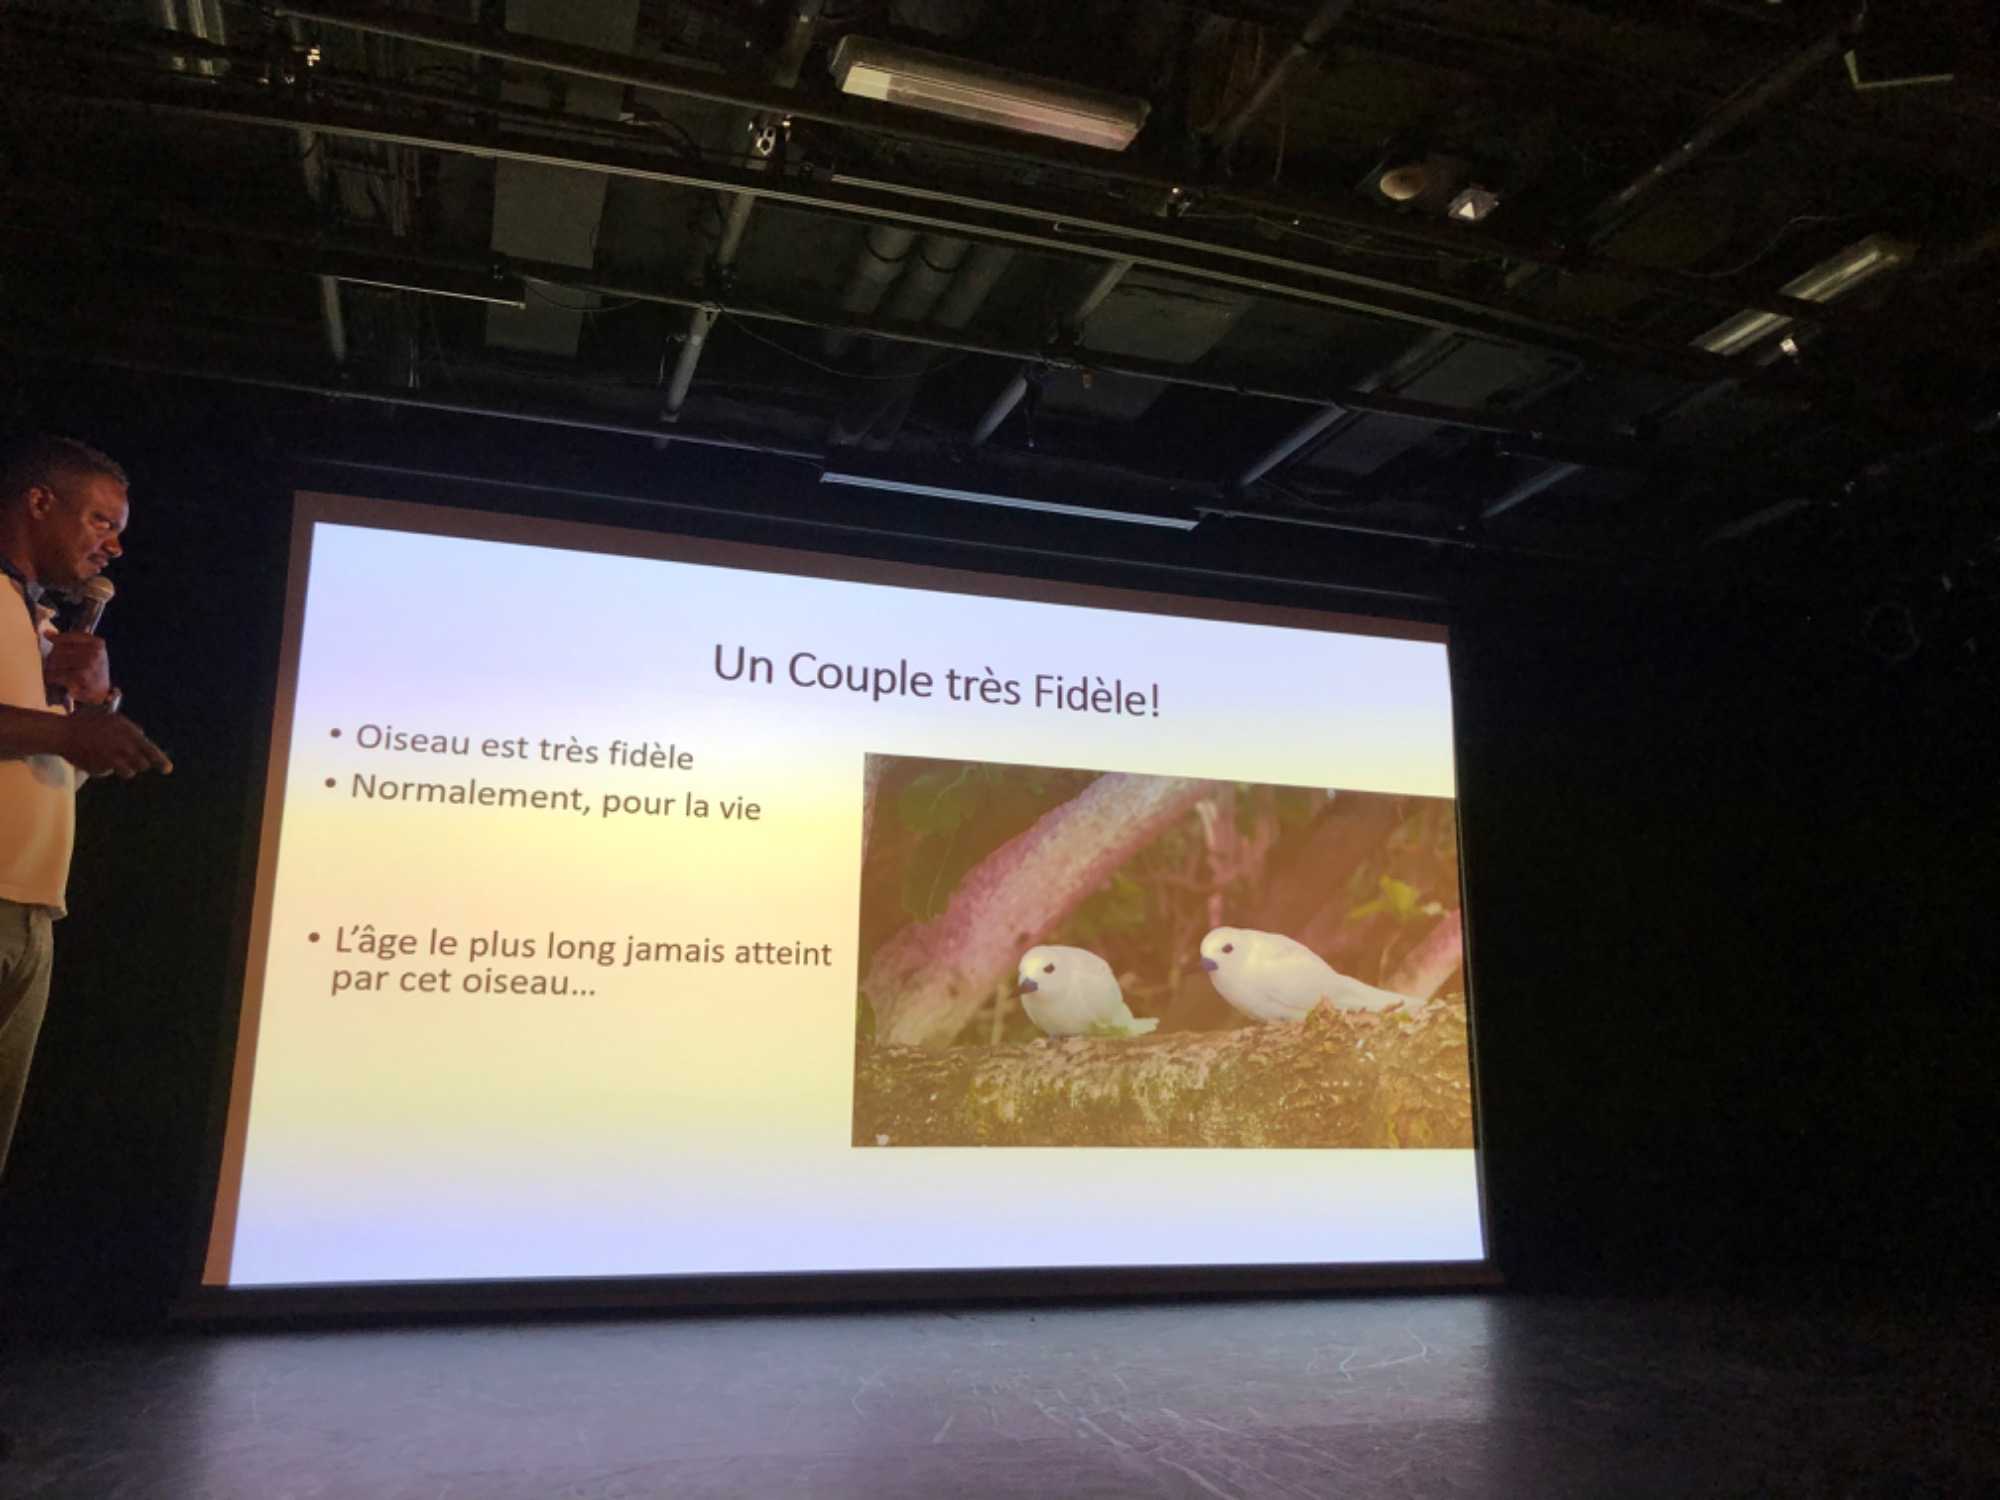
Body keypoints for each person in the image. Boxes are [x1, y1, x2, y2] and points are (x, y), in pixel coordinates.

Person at [0, 435, 172, 1183]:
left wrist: (94, 706)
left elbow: (60, 775)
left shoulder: (42, 627)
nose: (115, 547)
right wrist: (67, 730)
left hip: (32, 912)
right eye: (102, 521)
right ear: (39, 502)